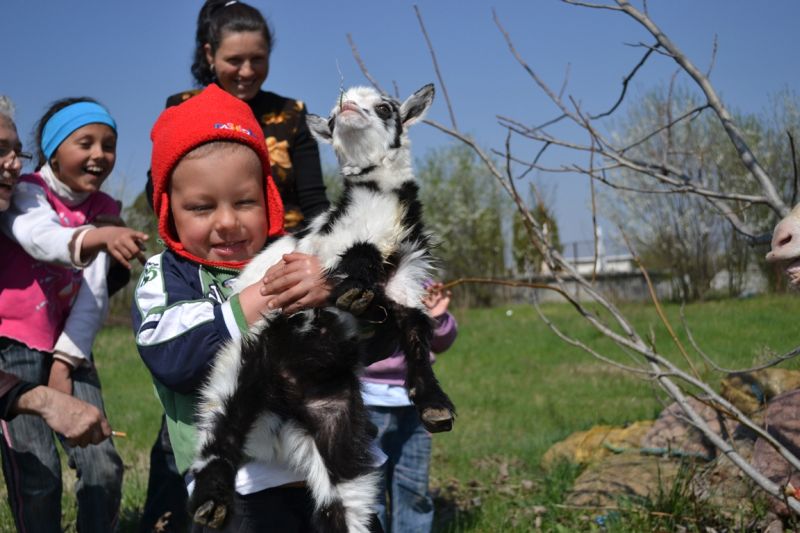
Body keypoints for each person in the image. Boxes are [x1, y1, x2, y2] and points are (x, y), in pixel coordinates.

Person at [141, 2, 330, 529]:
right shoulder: (179, 109)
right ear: (210, 56)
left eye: (258, 59)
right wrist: (252, 296)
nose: (246, 71)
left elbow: (315, 202)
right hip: (243, 477)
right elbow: (175, 356)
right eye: (234, 60)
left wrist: (327, 273)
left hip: (283, 257)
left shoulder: (292, 114)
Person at [0, 96, 147, 532]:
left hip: (71, 346)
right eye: (85, 142)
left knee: (103, 465)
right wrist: (100, 237)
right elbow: (39, 239)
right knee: (38, 474)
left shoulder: (106, 211)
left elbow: (93, 295)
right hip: (12, 348)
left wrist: (65, 361)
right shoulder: (25, 192)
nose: (100, 154)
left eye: (109, 144)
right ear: (52, 150)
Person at [0, 96, 111, 449]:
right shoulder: (31, 203)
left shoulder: (101, 211)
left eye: (17, 152)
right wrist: (44, 401)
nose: (14, 165)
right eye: (1, 150)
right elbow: (42, 237)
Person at [362, 282, 458, 533]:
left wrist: (437, 316)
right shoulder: (361, 278)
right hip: (368, 400)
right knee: (371, 492)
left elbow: (442, 341)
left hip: (416, 405)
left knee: (414, 488)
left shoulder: (418, 279)